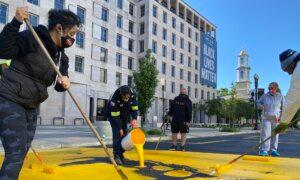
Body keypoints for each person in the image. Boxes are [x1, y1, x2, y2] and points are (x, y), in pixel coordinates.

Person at [0, 7, 80, 179]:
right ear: (60, 28)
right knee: (16, 152)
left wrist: (64, 82)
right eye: (72, 33)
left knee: (21, 152)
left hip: (32, 105)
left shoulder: (61, 57)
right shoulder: (33, 37)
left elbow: (59, 85)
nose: (73, 38)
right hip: (10, 99)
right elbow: (4, 51)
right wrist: (15, 23)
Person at [107, 85, 139, 165]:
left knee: (125, 134)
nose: (126, 99)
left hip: (125, 114)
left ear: (130, 94)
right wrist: (119, 127)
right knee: (118, 133)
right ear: (121, 94)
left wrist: (134, 119)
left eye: (127, 98)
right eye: (124, 98)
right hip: (114, 116)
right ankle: (116, 155)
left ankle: (121, 153)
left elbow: (134, 109)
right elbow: (115, 116)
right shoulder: (114, 99)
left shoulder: (133, 95)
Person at [274, 49, 300, 134]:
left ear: (292, 63)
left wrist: (283, 123)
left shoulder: (298, 72)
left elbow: (292, 101)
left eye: (287, 70)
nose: (289, 74)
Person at [257, 82, 284, 156]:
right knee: (266, 134)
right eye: (269, 88)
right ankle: (265, 150)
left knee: (275, 134)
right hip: (266, 118)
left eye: (272, 88)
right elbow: (258, 102)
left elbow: (284, 107)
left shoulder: (280, 96)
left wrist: (281, 117)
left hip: (276, 118)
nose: (270, 89)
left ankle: (273, 150)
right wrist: (261, 106)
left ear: (276, 88)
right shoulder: (265, 96)